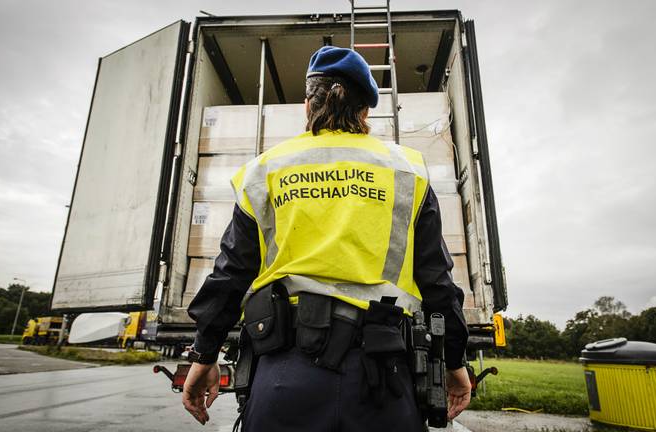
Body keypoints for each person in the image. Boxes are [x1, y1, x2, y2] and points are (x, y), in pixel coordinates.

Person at [182, 46, 472, 431]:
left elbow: (231, 274)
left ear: (307, 105)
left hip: (282, 378)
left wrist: (204, 355)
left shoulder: (266, 171)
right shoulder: (407, 173)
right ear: (366, 110)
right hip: (382, 381)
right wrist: (455, 362)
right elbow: (437, 283)